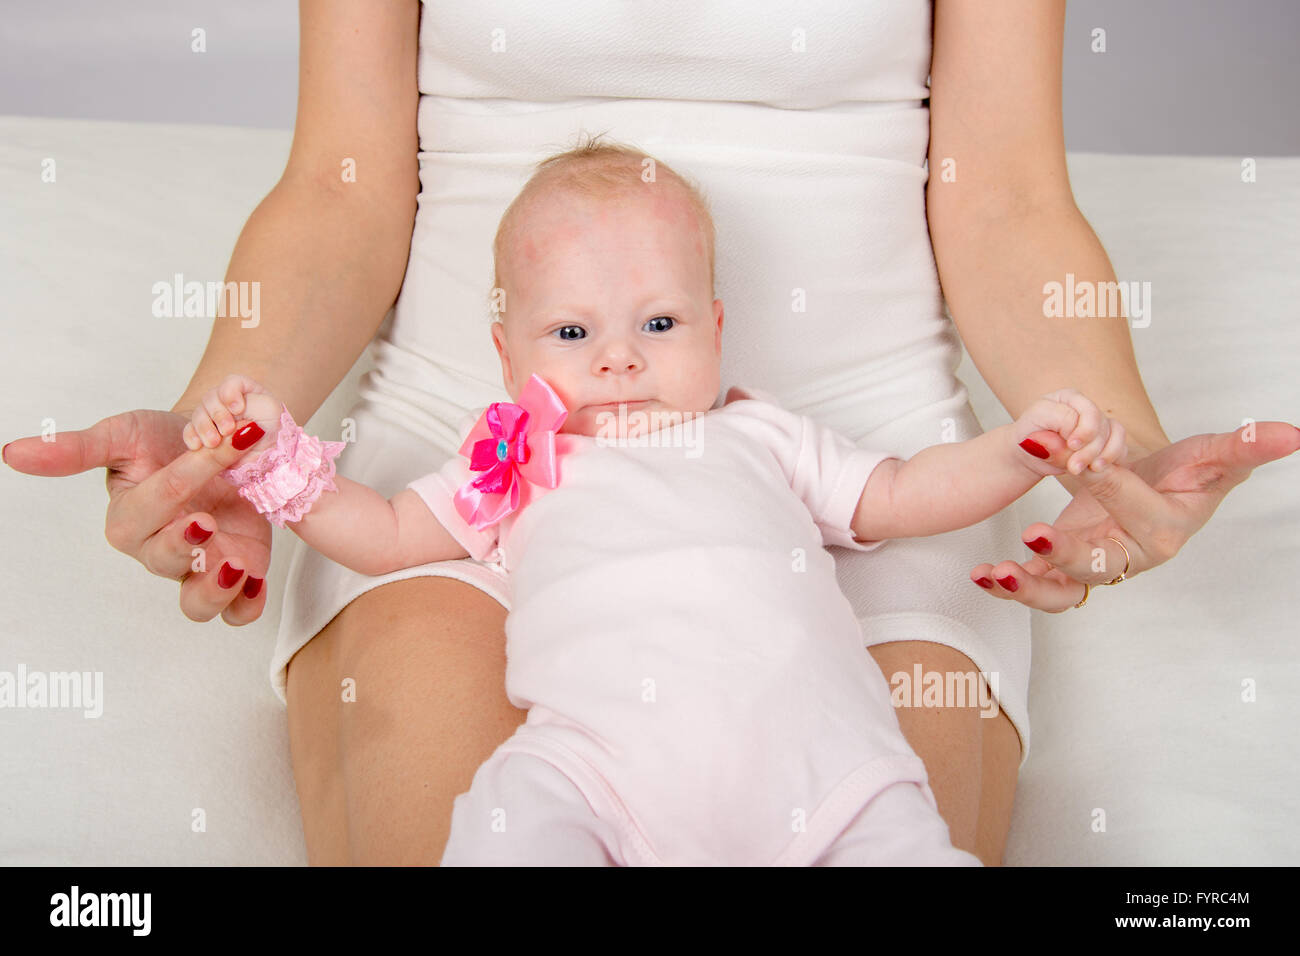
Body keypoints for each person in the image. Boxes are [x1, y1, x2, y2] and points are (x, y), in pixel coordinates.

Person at [4, 0, 1297, 866]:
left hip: (885, 472)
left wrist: (1098, 439)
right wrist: (229, 431)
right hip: (469, 465)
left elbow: (1008, 189)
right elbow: (340, 181)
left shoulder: (854, 466)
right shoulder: (473, 468)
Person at [179, 141, 1128, 866]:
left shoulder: (760, 437)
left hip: (829, 767)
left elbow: (902, 494)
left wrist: (1020, 451)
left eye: (660, 324)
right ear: (510, 359)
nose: (619, 358)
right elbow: (384, 536)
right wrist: (278, 465)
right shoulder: (512, 465)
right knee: (506, 826)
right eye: (571, 330)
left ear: (716, 331)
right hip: (596, 769)